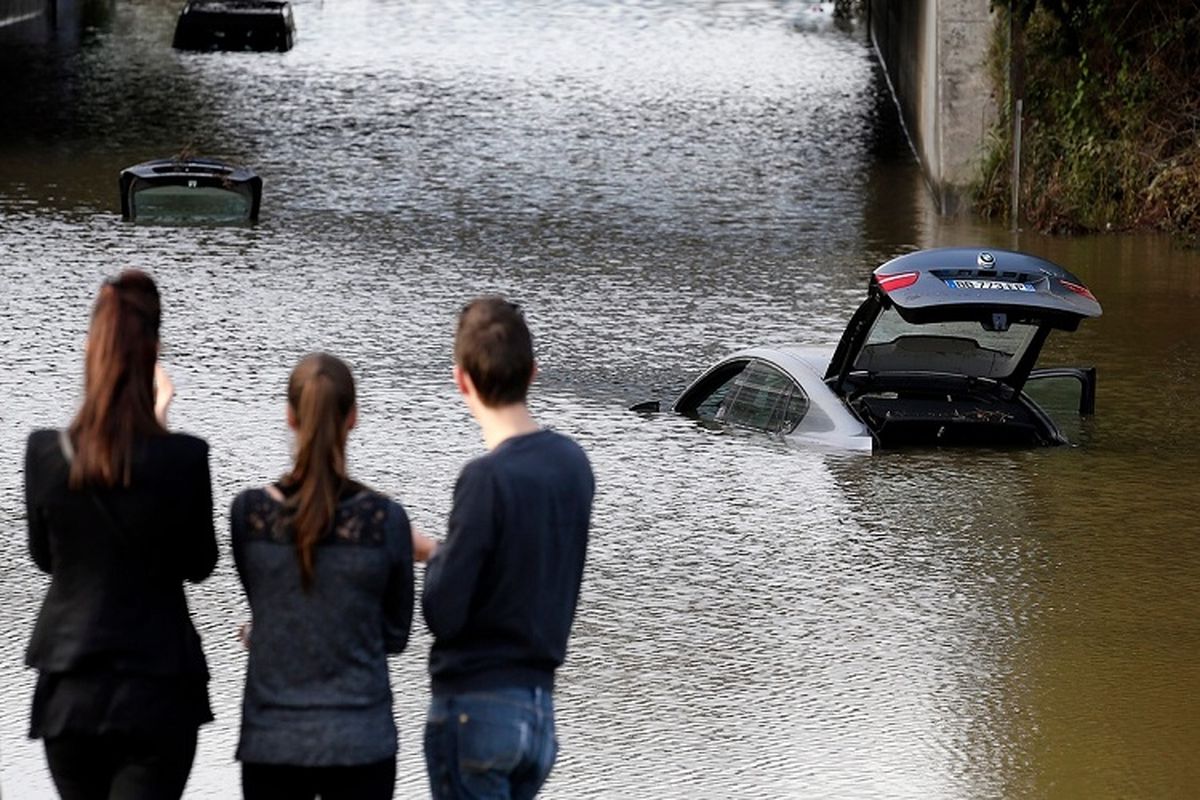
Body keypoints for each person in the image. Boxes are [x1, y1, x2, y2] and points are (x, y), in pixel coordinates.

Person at [23, 269, 218, 800]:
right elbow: (200, 563)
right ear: (153, 355)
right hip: (157, 691)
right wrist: (160, 422)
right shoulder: (184, 458)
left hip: (70, 690)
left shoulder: (45, 453)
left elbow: (47, 559)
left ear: (93, 350)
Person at [416, 297, 594, 799]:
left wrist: (433, 560)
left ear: (461, 380)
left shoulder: (484, 479)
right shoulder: (572, 464)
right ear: (533, 372)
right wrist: (439, 551)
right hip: (539, 714)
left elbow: (443, 611)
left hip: (477, 709)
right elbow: (520, 561)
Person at [230, 353, 414, 800]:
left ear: (290, 416)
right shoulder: (385, 521)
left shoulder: (249, 514)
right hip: (360, 741)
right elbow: (394, 636)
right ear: (352, 418)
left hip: (272, 739)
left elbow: (267, 606)